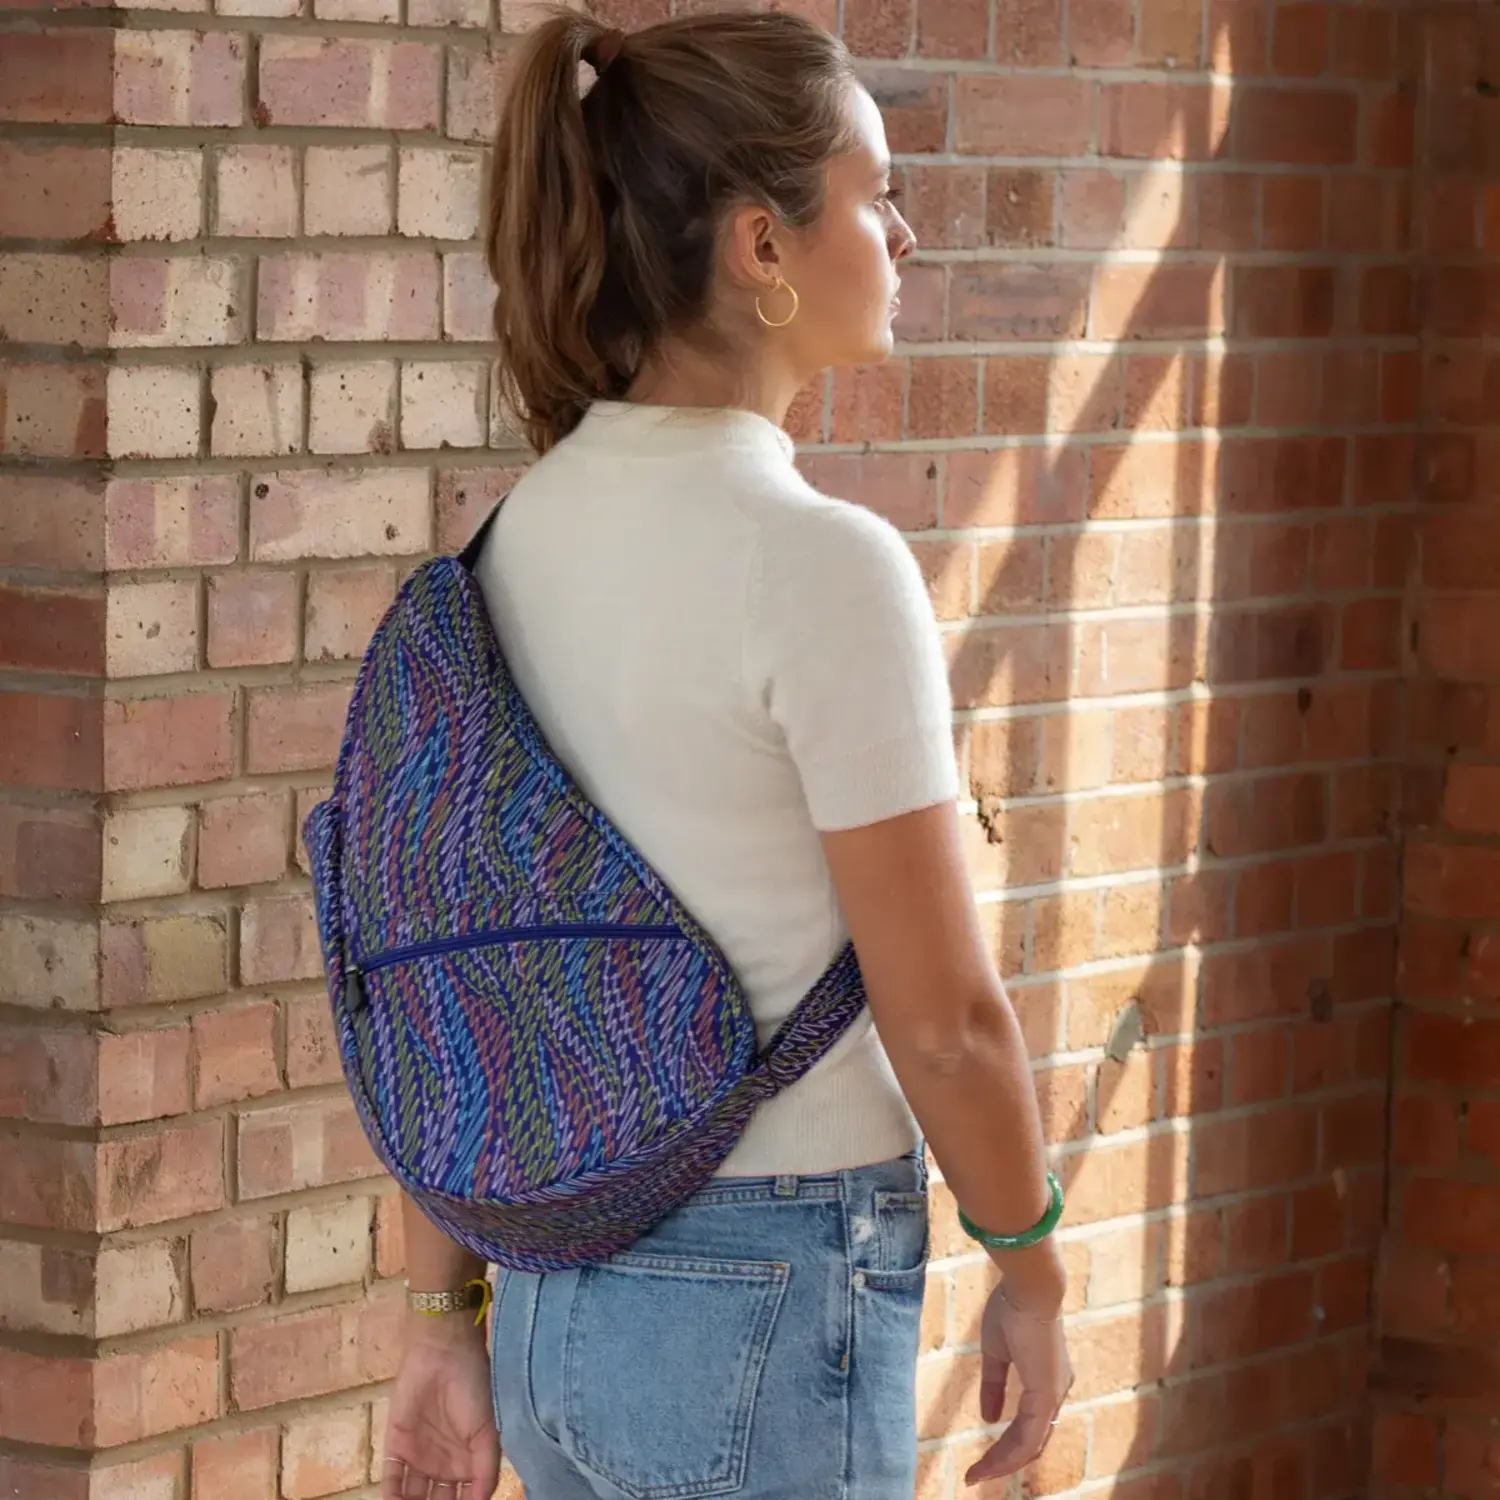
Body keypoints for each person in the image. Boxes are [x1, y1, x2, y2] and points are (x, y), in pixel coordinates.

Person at [378, 11, 1073, 1499]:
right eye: (875, 193)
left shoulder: (501, 551)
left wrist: (440, 1321)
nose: (903, 233)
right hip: (765, 1281)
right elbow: (946, 1022)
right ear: (763, 246)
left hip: (549, 1298)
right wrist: (1032, 1261)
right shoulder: (820, 565)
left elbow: (459, 989)